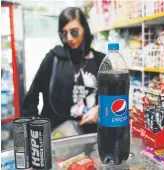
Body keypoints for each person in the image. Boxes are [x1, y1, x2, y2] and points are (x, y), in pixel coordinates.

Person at [22, 7, 105, 135]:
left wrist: (100, 109)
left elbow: (114, 97)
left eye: (74, 32)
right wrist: (35, 130)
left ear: (85, 29)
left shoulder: (101, 60)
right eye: (64, 33)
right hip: (57, 135)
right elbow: (31, 98)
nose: (69, 38)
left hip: (93, 136)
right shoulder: (54, 58)